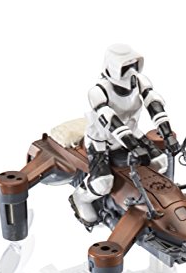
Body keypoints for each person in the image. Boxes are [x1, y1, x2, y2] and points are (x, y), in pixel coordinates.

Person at [70, 43, 180, 226]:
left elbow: (154, 105)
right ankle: (80, 197)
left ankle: (144, 197)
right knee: (102, 184)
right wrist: (134, 146)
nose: (131, 72)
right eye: (125, 67)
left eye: (134, 65)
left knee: (160, 161)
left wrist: (167, 134)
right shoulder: (99, 91)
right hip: (102, 141)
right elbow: (110, 121)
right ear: (112, 68)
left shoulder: (140, 82)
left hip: (133, 133)